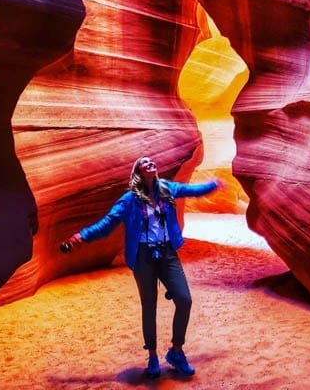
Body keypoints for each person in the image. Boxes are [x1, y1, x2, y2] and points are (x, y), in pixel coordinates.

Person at [62, 155, 224, 379]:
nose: (151, 164)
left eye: (152, 161)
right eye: (145, 163)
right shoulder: (129, 200)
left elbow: (191, 190)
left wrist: (214, 184)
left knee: (184, 299)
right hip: (144, 257)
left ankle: (176, 351)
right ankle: (153, 357)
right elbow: (107, 225)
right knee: (150, 307)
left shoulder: (167, 189)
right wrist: (83, 236)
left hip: (167, 253)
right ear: (138, 172)